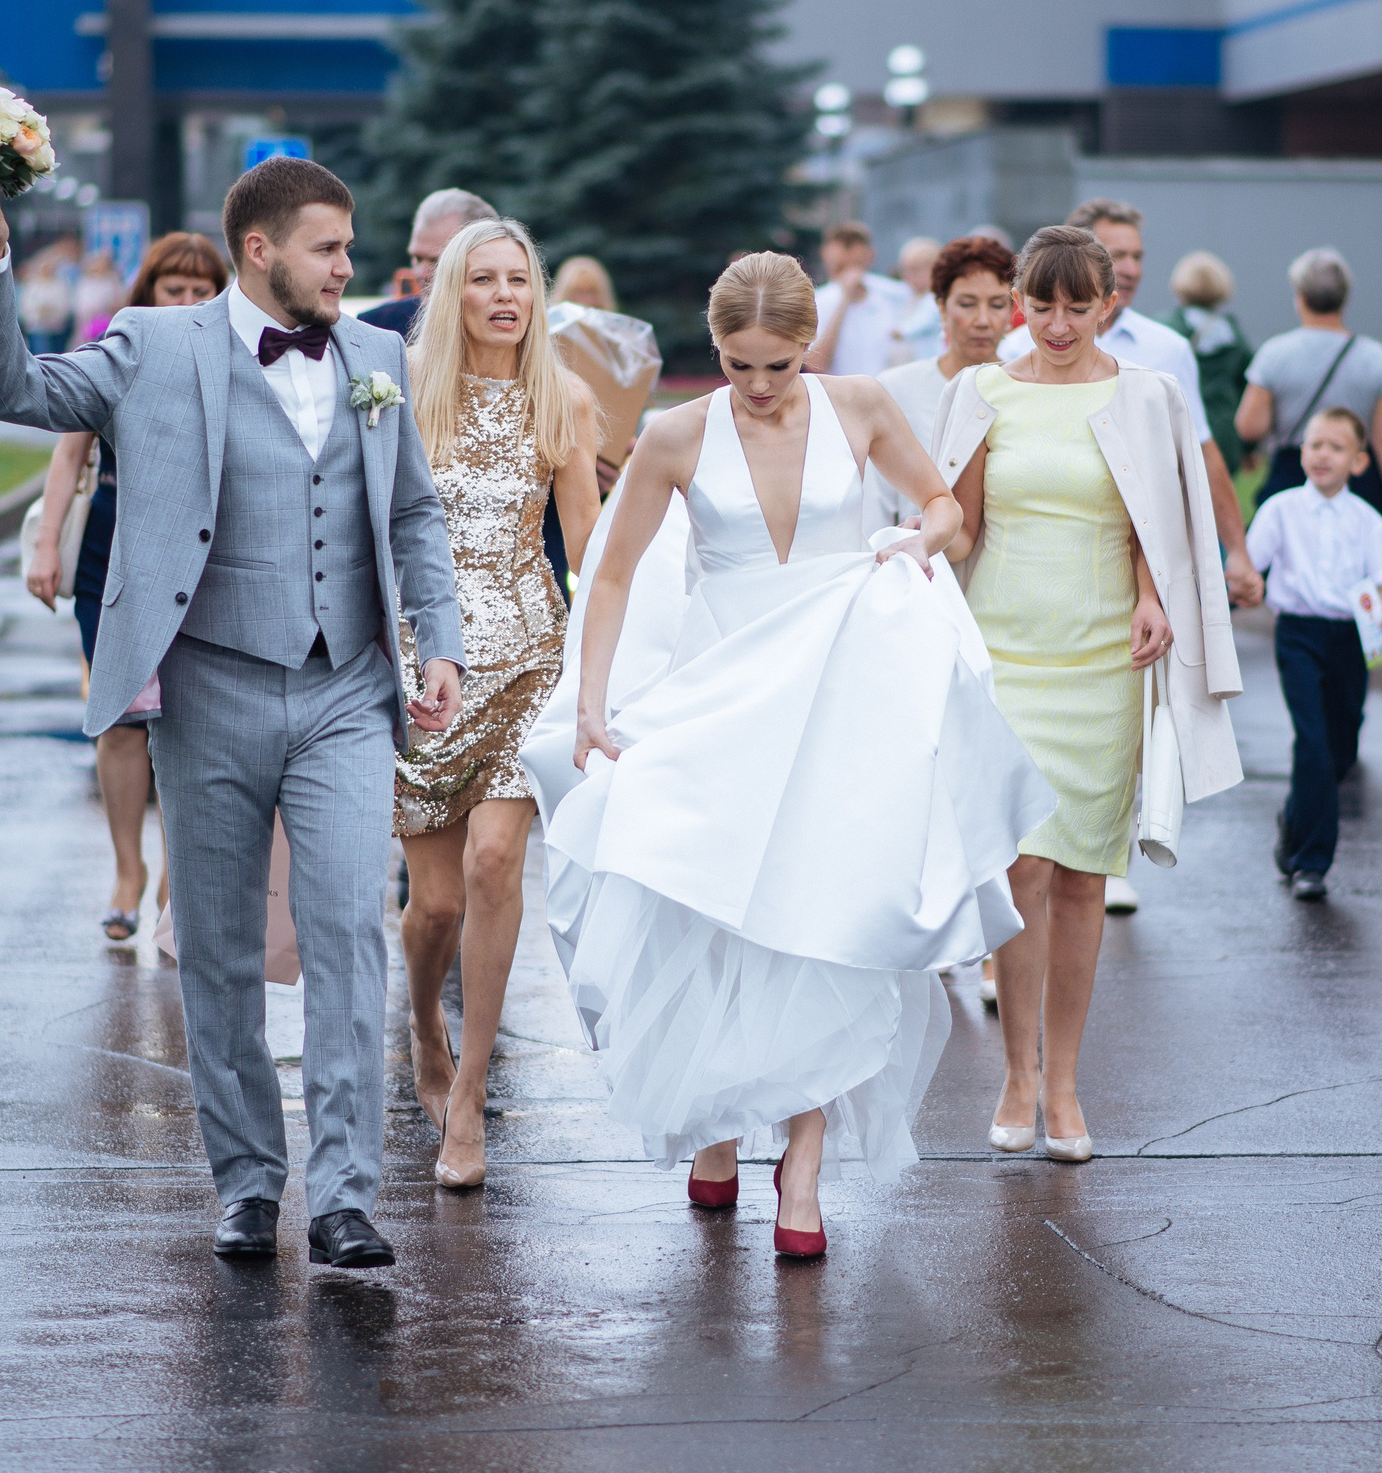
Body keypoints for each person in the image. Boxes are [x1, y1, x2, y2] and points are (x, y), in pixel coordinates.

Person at [0, 156, 466, 1275]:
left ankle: (345, 1196)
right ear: (262, 250)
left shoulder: (377, 355)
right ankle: (244, 1181)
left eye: (351, 245)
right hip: (210, 682)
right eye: (329, 247)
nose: (348, 267)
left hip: (345, 693)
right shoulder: (153, 343)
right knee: (219, 949)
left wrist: (442, 641)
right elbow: (15, 392)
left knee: (343, 932)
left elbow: (413, 511)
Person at [522, 252, 1048, 1260]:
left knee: (817, 916)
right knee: (712, 904)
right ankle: (717, 1128)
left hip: (832, 692)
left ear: (809, 344)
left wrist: (916, 542)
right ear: (713, 349)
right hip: (719, 689)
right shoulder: (679, 432)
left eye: (779, 363)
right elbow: (616, 569)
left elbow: (944, 506)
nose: (759, 385)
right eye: (737, 364)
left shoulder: (859, 406)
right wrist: (590, 702)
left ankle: (799, 1162)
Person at [936, 225, 1244, 1162]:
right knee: (1020, 866)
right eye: (1041, 304)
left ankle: (1064, 1082)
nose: (1057, 324)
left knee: (1080, 878)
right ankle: (1016, 1075)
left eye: (1079, 305)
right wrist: (902, 544)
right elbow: (962, 525)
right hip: (1007, 656)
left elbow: (1163, 519)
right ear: (1019, 300)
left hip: (1104, 658)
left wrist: (1154, 597)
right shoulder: (980, 389)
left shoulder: (1146, 394)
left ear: (1110, 302)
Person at [396, 217, 601, 1191]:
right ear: (453, 292)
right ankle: (423, 1027)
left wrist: (605, 676)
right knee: (431, 900)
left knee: (491, 861)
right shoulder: (403, 398)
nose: (505, 296)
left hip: (530, 667)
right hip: (425, 673)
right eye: (484, 279)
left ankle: (470, 1092)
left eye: (519, 279)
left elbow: (589, 552)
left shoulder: (562, 399)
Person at [25, 231, 230, 940]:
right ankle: (126, 871)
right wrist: (47, 541)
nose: (188, 302)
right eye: (174, 289)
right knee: (119, 716)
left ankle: (178, 878)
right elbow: (69, 452)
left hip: (199, 558)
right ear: (149, 295)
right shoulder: (121, 351)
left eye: (202, 290)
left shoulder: (233, 355)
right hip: (111, 551)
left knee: (189, 723)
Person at [995, 199, 1261, 611]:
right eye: (1118, 255)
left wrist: (1238, 552)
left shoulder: (1167, 349)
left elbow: (1201, 453)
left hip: (1139, 568)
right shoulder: (1015, 351)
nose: (1133, 268)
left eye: (1138, 256)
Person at [1244, 406, 1382, 901]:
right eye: (1314, 444)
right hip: (1297, 635)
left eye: (1335, 448)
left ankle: (1294, 819)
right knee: (1312, 743)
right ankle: (1310, 864)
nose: (1321, 455)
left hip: (1350, 639)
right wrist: (1247, 585)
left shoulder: (1366, 518)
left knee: (1338, 750)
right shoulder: (1280, 509)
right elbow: (1251, 565)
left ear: (1358, 463)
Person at [1236, 248, 1382, 545]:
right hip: (1359, 481)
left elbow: (1249, 427)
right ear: (1345, 297)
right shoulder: (1375, 358)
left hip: (1293, 474)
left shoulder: (1274, 354)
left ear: (1300, 297)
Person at [866, 233, 1012, 531]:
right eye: (968, 304)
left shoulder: (1027, 388)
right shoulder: (896, 388)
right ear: (942, 308)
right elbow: (876, 502)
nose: (983, 320)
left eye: (997, 305)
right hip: (918, 562)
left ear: (1012, 311)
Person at [359, 188, 498, 341]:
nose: (421, 273)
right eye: (417, 258)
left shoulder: (515, 331)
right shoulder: (377, 328)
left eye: (437, 261)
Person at [1170, 250, 1251, 463]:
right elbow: (1247, 388)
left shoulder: (1167, 328)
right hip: (1223, 432)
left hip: (1177, 428)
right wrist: (1250, 448)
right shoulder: (1233, 335)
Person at [805, 219, 912, 377]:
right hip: (840, 396)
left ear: (871, 255)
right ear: (825, 254)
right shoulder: (814, 301)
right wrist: (845, 300)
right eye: (840, 267)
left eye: (855, 265)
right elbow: (815, 365)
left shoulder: (896, 294)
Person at [884, 235, 943, 367]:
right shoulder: (908, 294)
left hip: (928, 369)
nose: (908, 275)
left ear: (935, 269)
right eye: (905, 269)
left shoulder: (935, 299)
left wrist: (900, 331)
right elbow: (884, 287)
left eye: (915, 269)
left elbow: (922, 321)